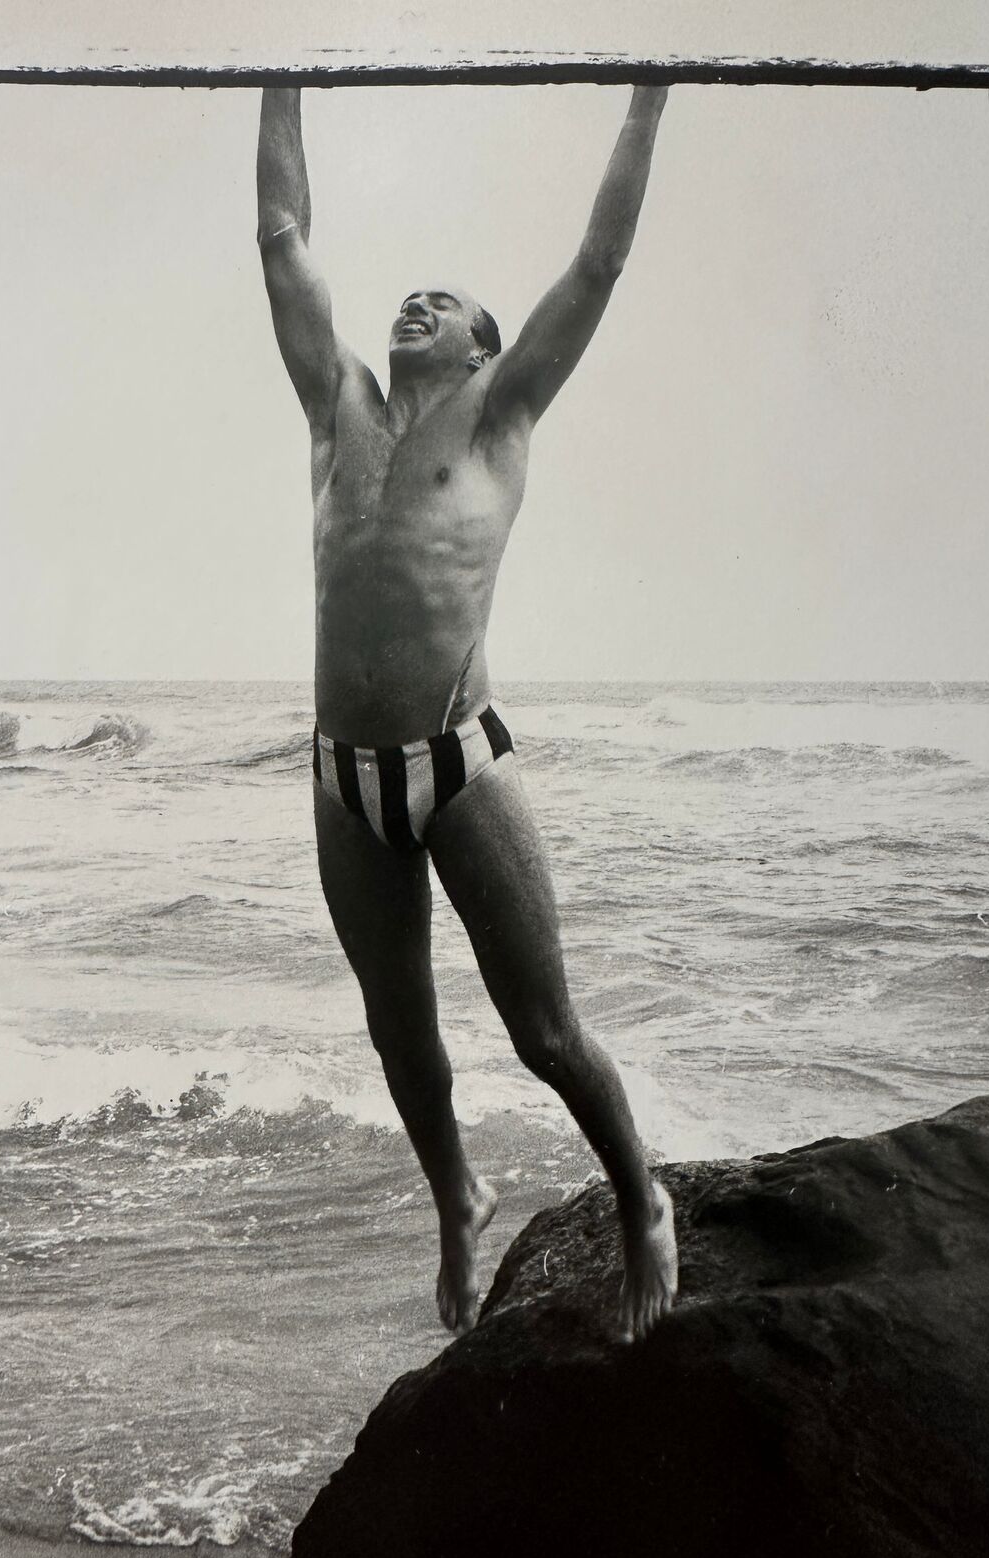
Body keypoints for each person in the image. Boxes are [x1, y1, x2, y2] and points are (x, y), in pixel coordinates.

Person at [257, 85, 677, 1341]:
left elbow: (598, 264)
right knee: (402, 1037)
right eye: (411, 296)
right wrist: (283, 77)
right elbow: (282, 234)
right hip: (343, 777)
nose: (415, 304)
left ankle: (642, 1196)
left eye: (442, 303)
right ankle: (459, 1197)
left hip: (458, 764)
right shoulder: (336, 408)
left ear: (485, 350)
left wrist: (649, 97)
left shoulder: (499, 416)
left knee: (544, 1032)